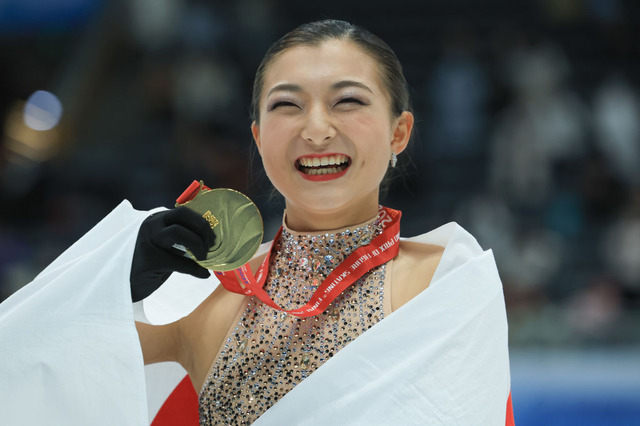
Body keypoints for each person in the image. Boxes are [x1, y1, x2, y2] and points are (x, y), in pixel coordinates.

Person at [1, 20, 513, 426]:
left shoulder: (449, 283)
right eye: (287, 105)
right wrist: (110, 285)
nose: (316, 129)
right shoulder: (204, 296)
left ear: (399, 131)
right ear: (259, 135)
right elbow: (28, 376)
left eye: (349, 101)